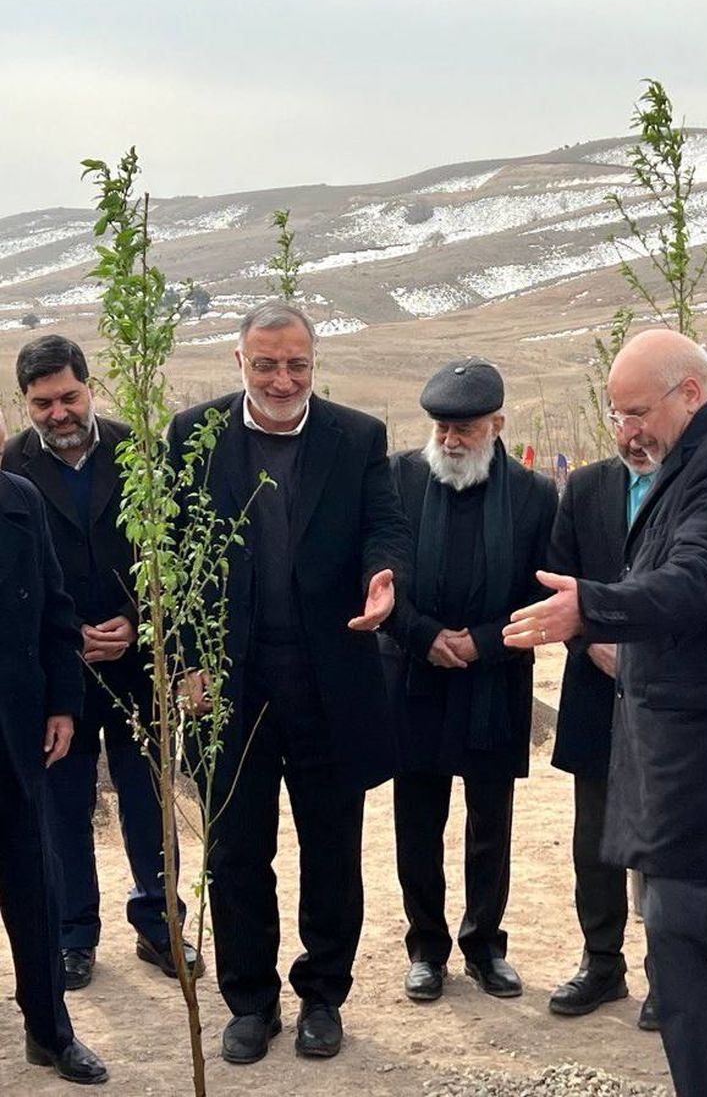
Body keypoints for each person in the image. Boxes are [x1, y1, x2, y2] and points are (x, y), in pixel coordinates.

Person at [504, 329, 707, 1097]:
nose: (627, 430)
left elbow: (696, 582)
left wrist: (593, 608)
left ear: (688, 392)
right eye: (616, 415)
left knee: (681, 936)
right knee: (705, 936)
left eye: (637, 410)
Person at [166, 300, 410, 1066]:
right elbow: (174, 556)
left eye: (296, 364)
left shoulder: (358, 435)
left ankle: (322, 995)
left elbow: (385, 525)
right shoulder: (194, 436)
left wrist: (384, 576)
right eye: (266, 363)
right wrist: (186, 661)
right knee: (237, 849)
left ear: (314, 365)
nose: (282, 378)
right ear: (240, 362)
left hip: (328, 675)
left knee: (331, 848)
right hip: (230, 684)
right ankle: (251, 1000)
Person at [4, 335, 199, 992]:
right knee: (63, 802)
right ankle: (73, 935)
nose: (57, 413)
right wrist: (68, 635)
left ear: (91, 387)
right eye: (41, 404)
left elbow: (171, 552)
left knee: (148, 796)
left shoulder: (143, 453)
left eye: (68, 397)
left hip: (138, 661)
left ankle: (159, 926)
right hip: (59, 669)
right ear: (24, 404)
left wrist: (139, 622)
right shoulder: (13, 467)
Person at [383, 358, 556, 1004]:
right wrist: (424, 634)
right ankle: (426, 947)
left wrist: (479, 642)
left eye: (465, 429)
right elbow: (375, 577)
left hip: (495, 679)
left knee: (491, 823)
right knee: (417, 819)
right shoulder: (397, 480)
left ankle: (484, 945)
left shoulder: (535, 495)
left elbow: (543, 590)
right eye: (442, 428)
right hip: (414, 674)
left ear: (497, 424)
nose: (451, 441)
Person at [544, 419, 657, 1020]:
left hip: (672, 693)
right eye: (623, 419)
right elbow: (557, 579)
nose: (636, 435)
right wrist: (590, 642)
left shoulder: (697, 482)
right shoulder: (585, 488)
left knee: (670, 835)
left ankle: (669, 971)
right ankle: (601, 962)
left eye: (646, 418)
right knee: (595, 837)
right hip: (595, 687)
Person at [0, 468, 108, 1084]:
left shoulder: (20, 498)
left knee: (33, 888)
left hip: (15, 734)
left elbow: (55, 610)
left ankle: (49, 1032)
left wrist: (64, 703)